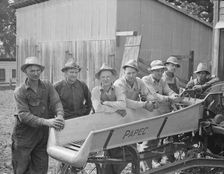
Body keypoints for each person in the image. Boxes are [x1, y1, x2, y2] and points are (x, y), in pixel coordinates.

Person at [12, 56, 65, 174]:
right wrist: (47, 122)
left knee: (40, 167)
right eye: (32, 71)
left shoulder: (47, 85)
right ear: (25, 72)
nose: (36, 73)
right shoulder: (20, 91)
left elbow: (56, 102)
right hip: (24, 135)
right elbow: (23, 115)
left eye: (38, 70)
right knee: (21, 168)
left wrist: (60, 115)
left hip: (42, 134)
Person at [54, 58, 92, 174]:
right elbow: (52, 104)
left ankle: (78, 170)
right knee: (64, 151)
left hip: (79, 122)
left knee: (79, 148)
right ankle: (62, 171)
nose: (74, 74)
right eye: (71, 72)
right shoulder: (57, 86)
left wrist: (83, 115)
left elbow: (89, 103)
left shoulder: (82, 86)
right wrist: (58, 119)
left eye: (76, 72)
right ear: (65, 73)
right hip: (64, 123)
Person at [92, 63, 126, 174]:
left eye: (108, 77)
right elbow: (97, 108)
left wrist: (106, 103)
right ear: (99, 79)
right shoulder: (96, 90)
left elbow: (123, 105)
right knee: (105, 153)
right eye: (103, 77)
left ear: (112, 78)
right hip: (101, 124)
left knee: (121, 152)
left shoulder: (118, 89)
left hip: (116, 124)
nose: (106, 79)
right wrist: (115, 110)